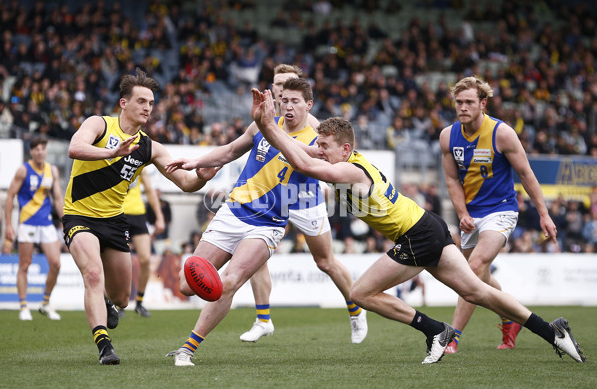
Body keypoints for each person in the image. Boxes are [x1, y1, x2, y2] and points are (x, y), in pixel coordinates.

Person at [249, 83, 585, 364]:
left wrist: (268, 126)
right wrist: (269, 126)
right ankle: (552, 331)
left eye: (323, 146)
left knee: (361, 292)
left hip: (417, 234)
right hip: (429, 225)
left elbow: (304, 164)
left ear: (346, 148)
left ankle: (435, 330)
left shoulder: (350, 169)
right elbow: (300, 150)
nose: (317, 151)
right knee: (476, 291)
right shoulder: (342, 159)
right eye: (317, 145)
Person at [163, 77, 360, 368]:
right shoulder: (261, 125)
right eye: (284, 99)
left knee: (229, 282)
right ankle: (262, 318)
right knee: (185, 284)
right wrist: (196, 162)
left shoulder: (316, 138)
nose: (288, 105)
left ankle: (187, 348)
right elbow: (230, 150)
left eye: (295, 101)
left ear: (308, 105)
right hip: (233, 211)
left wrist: (268, 126)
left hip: (268, 224)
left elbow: (313, 156)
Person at [62, 68, 218, 365]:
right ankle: (104, 346)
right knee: (93, 274)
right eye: (142, 101)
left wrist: (202, 177)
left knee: (122, 299)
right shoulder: (99, 124)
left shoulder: (150, 146)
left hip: (115, 221)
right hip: (79, 215)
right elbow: (74, 148)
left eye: (151, 102)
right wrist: (112, 154)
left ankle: (108, 303)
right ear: (124, 103)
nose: (148, 107)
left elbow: (185, 183)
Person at [240, 64, 367, 344]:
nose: (282, 89)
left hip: (303, 198)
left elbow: (329, 155)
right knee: (255, 252)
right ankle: (263, 319)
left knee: (325, 262)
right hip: (272, 198)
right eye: (277, 84)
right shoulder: (264, 117)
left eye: (288, 84)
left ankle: (355, 309)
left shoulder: (309, 122)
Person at [439, 76, 558, 353]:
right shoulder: (447, 135)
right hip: (471, 215)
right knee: (477, 275)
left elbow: (527, 174)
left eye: (469, 102)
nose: (463, 107)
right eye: (459, 102)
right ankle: (509, 317)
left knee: (474, 266)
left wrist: (544, 214)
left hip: (501, 210)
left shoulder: (501, 133)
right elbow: (451, 180)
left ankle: (452, 337)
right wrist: (462, 212)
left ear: (483, 103)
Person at [4, 135, 64, 321]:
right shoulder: (24, 170)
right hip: (27, 222)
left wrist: (64, 222)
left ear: (46, 151)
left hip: (46, 223)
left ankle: (45, 303)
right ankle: (23, 306)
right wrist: (8, 225)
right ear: (31, 152)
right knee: (25, 264)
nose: (40, 152)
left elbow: (57, 197)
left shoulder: (52, 170)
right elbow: (9, 197)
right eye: (36, 149)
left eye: (43, 149)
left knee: (56, 263)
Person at [120, 168, 165, 317]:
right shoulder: (111, 158)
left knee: (145, 259)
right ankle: (118, 304)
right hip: (118, 214)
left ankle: (139, 302)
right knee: (122, 262)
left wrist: (159, 216)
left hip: (138, 215)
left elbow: (150, 191)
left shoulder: (139, 164)